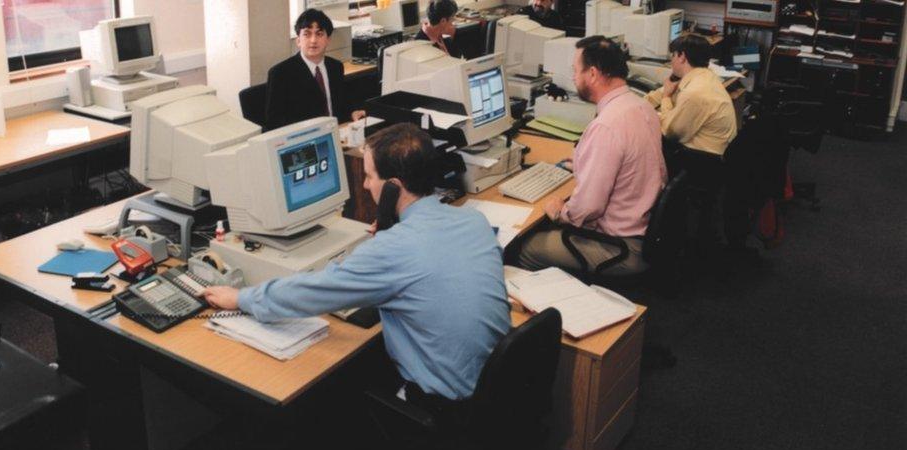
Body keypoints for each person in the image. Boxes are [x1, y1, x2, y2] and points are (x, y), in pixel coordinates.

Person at [202, 122, 511, 404]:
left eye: (369, 176)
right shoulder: (473, 221)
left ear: (393, 186)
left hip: (442, 405)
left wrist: (241, 297)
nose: (364, 186)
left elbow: (314, 291)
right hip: (494, 393)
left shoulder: (392, 249)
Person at [517, 36, 667, 276]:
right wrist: (584, 160)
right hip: (645, 234)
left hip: (620, 248)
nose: (574, 77)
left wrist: (560, 211)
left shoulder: (606, 126)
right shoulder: (641, 107)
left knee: (524, 247)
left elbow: (588, 208)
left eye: (576, 71)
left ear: (594, 74)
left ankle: (563, 309)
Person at [264, 9, 366, 131]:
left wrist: (352, 113)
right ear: (298, 40)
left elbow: (340, 104)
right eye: (307, 34)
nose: (313, 40)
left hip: (337, 132)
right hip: (305, 139)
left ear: (328, 40)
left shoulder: (335, 67)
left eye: (319, 34)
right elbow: (274, 123)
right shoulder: (281, 73)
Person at [644, 34, 737, 156]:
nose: (671, 61)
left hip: (702, 159)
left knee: (645, 132)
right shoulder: (705, 76)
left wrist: (666, 98)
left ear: (682, 56)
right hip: (713, 151)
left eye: (673, 55)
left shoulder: (694, 93)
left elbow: (670, 132)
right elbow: (666, 91)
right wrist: (642, 103)